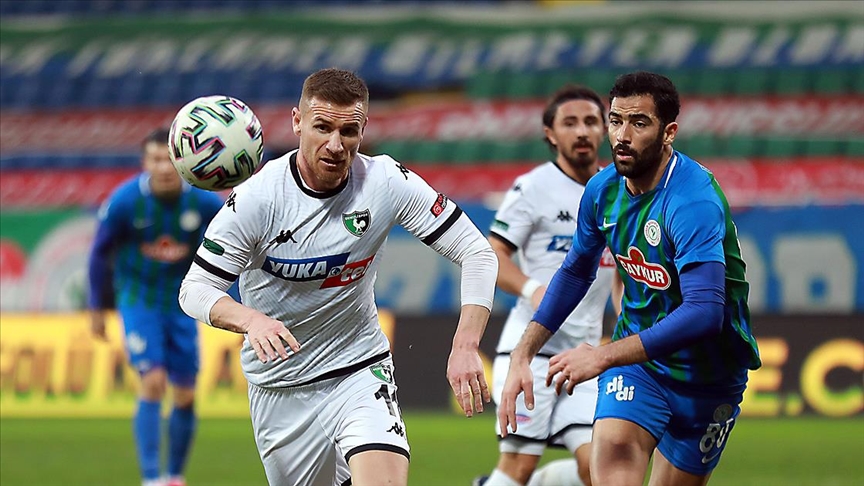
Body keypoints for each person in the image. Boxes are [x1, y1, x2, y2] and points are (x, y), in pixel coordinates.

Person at [177, 67, 498, 486]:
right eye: (323, 127)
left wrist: (466, 345)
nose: (335, 144)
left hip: (359, 368)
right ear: (297, 122)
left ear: (363, 129)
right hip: (280, 386)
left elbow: (477, 252)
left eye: (349, 131)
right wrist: (251, 320)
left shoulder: (385, 182)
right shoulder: (256, 202)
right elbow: (195, 289)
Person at [498, 71, 762, 486]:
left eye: (639, 123)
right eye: (616, 120)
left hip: (709, 374)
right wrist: (523, 352)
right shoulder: (602, 190)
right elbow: (575, 273)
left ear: (668, 132)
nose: (622, 135)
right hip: (639, 368)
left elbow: (704, 312)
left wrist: (602, 356)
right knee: (613, 459)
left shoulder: (693, 201)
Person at [475, 85, 622, 486]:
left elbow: (623, 270)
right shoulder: (533, 187)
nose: (582, 131)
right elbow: (492, 255)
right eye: (569, 123)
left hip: (585, 358)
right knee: (518, 466)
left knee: (601, 468)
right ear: (550, 134)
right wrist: (533, 290)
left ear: (605, 129)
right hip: (531, 353)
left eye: (591, 122)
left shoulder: (618, 191)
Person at [88, 128, 225, 486]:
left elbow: (234, 245)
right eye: (155, 160)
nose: (164, 167)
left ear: (182, 161)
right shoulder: (124, 201)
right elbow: (99, 254)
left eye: (169, 159)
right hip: (139, 299)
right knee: (152, 381)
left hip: (182, 302)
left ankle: (174, 476)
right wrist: (97, 307)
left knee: (186, 393)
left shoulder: (204, 201)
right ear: (144, 163)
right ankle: (151, 478)